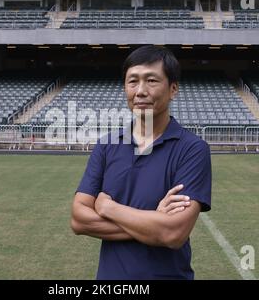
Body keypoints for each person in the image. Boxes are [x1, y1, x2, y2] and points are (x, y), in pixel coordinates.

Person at [70, 45, 212, 280]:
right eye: (132, 81)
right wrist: (152, 222)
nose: (140, 91)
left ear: (173, 89)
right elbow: (78, 220)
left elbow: (173, 233)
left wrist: (108, 208)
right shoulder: (107, 145)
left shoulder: (192, 149)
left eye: (152, 81)